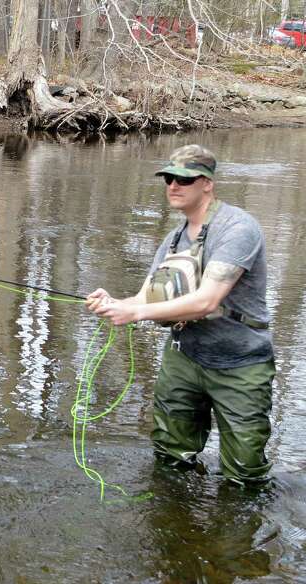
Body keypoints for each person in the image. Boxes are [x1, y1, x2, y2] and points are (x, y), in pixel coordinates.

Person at [86, 144, 275, 484]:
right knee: (170, 455)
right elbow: (145, 296)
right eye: (169, 178)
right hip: (184, 358)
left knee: (244, 473)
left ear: (207, 183)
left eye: (184, 180)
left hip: (240, 363)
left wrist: (137, 312)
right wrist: (115, 303)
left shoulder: (237, 229)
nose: (173, 186)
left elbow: (206, 301)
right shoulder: (174, 239)